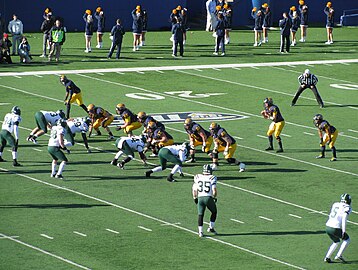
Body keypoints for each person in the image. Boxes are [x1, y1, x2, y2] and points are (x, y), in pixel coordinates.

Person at [324, 194, 352, 263]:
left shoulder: (335, 204)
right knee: (347, 239)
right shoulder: (347, 207)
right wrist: (344, 230)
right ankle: (339, 255)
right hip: (335, 227)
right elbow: (344, 218)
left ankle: (327, 257)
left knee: (336, 241)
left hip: (328, 226)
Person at [192, 164, 218, 237]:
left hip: (200, 197)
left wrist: (195, 198)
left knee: (200, 214)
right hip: (208, 198)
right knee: (214, 212)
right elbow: (214, 190)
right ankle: (211, 227)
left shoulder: (197, 177)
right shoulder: (212, 178)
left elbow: (194, 190)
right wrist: (214, 197)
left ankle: (200, 232)